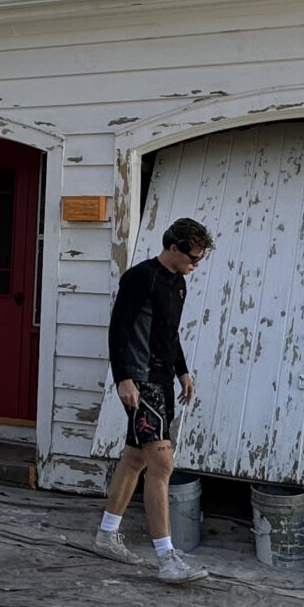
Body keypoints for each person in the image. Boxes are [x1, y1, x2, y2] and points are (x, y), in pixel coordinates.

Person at [97, 217, 214, 584]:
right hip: (139, 381)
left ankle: (106, 535)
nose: (196, 265)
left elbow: (169, 334)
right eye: (193, 257)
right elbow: (118, 328)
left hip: (162, 381)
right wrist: (123, 378)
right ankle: (167, 558)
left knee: (135, 459)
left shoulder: (178, 283)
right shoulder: (140, 277)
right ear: (174, 248)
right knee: (162, 465)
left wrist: (183, 371)